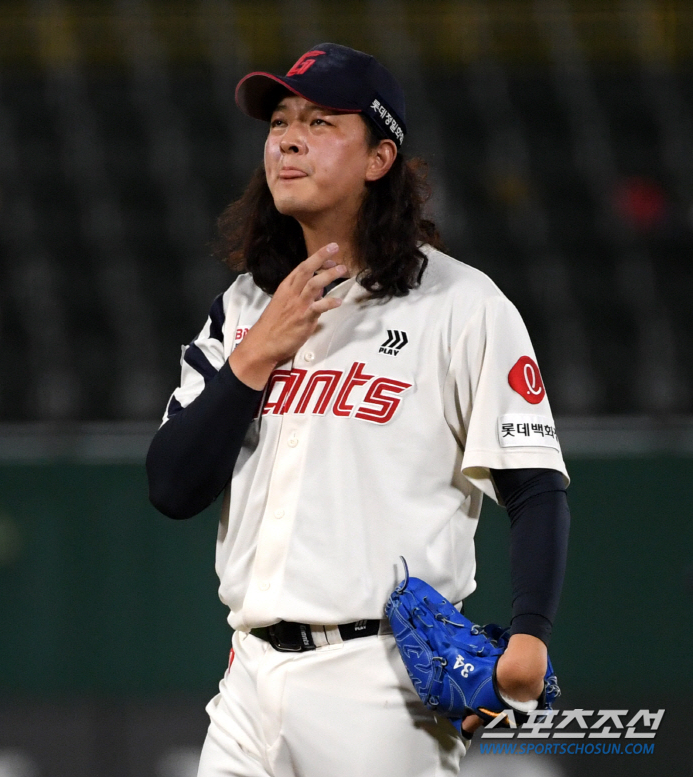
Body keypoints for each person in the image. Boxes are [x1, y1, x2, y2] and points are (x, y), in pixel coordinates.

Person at [146, 42, 570, 777]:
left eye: (318, 121)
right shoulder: (246, 308)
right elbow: (172, 486)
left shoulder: (462, 305)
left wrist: (530, 633)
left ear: (379, 157)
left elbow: (534, 485)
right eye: (279, 120)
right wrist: (254, 357)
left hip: (381, 683)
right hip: (249, 677)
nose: (287, 137)